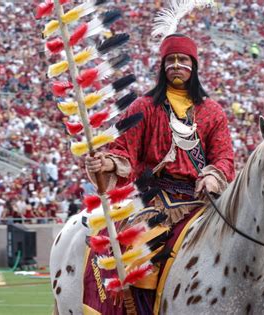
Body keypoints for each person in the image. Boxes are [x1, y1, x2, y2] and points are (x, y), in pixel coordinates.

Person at [84, 34, 235, 313]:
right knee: (141, 260)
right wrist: (107, 163)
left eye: (183, 60)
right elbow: (123, 149)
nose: (176, 65)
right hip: (155, 198)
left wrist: (213, 175)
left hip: (203, 198)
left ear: (194, 66)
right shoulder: (143, 107)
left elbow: (224, 156)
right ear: (163, 66)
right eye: (171, 60)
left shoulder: (213, 112)